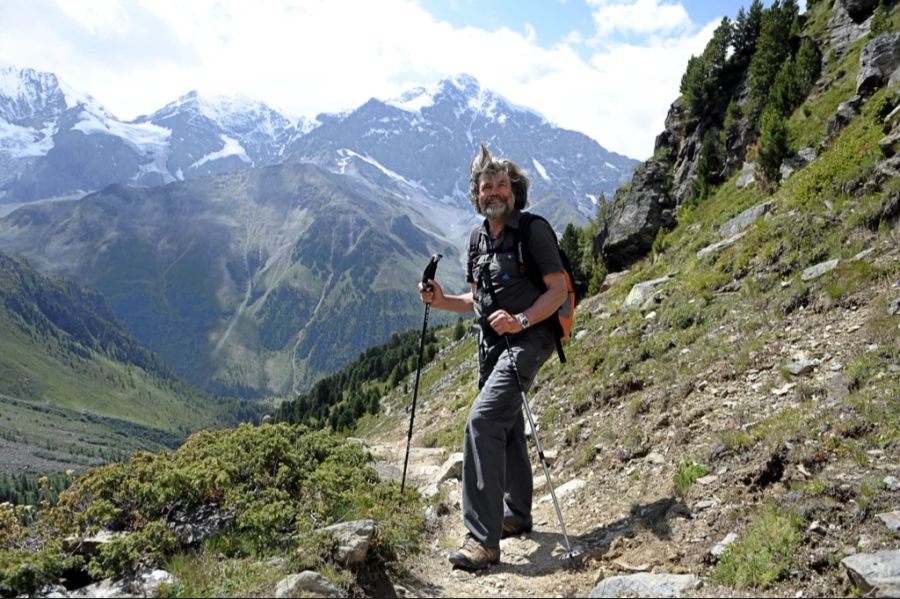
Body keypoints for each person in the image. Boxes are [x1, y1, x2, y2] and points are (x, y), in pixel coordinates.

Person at [419, 143, 567, 570]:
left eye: (501, 184)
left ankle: (482, 541)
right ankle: (516, 516)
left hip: (530, 339)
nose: (494, 192)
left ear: (514, 190)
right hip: (493, 346)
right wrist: (442, 299)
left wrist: (521, 320)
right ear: (476, 195)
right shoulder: (477, 239)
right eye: (486, 187)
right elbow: (478, 301)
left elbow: (556, 290)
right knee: (506, 422)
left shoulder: (533, 231)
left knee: (483, 420)